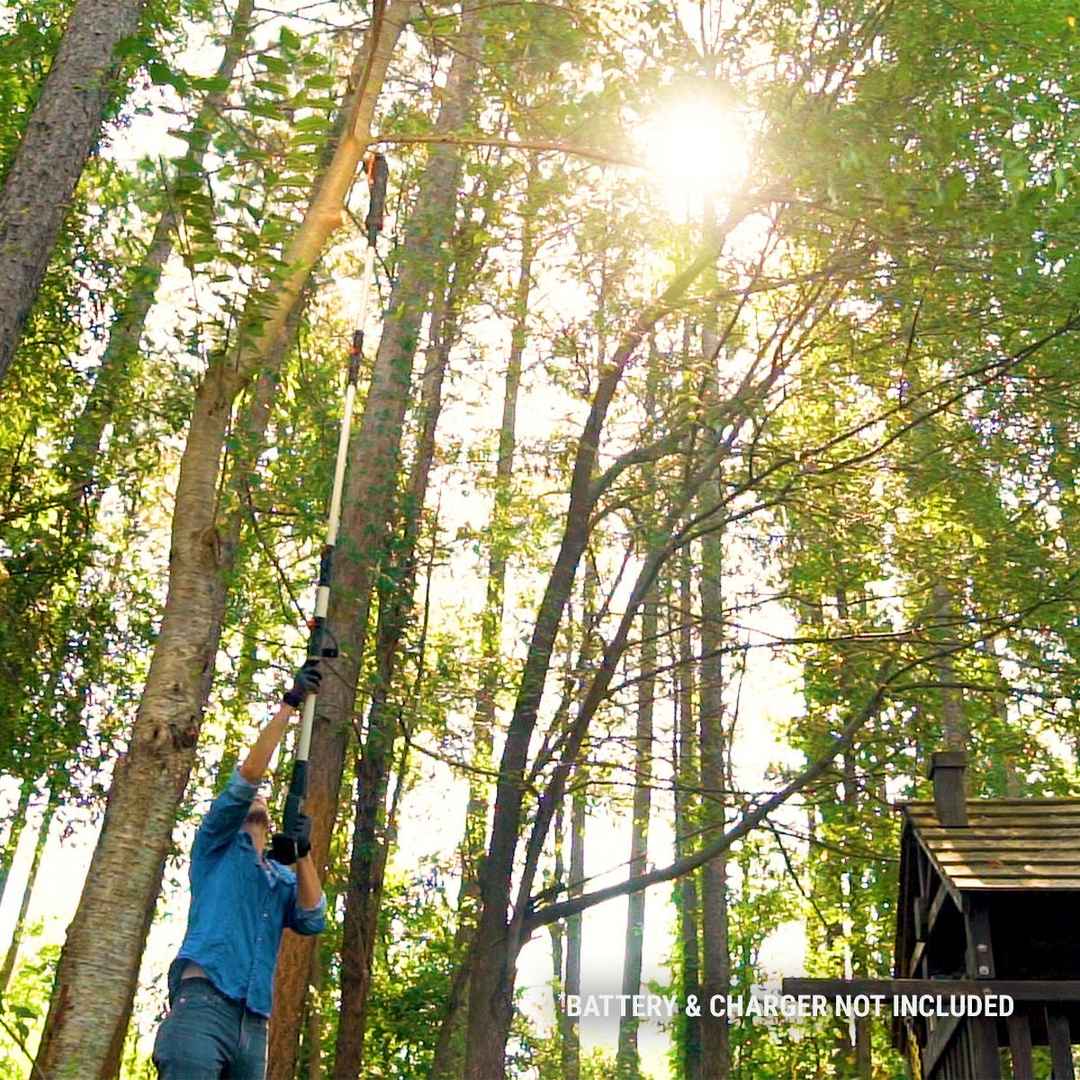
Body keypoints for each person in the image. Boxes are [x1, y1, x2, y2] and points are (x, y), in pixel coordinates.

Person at [152, 661, 327, 1080]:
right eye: (254, 796)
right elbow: (249, 775)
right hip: (203, 1006)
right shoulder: (217, 846)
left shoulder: (280, 878)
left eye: (264, 797)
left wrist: (303, 854)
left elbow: (313, 917)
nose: (258, 796)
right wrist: (290, 704)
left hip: (254, 1024)